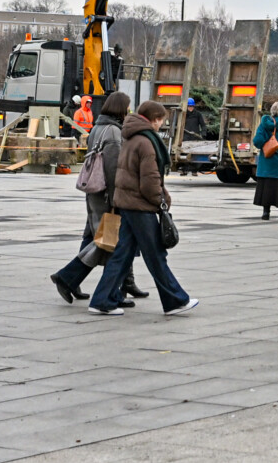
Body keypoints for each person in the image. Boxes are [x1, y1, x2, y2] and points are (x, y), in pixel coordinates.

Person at [89, 100, 197, 316]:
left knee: (122, 254)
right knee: (156, 254)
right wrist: (161, 200)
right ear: (154, 119)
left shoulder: (130, 136)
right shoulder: (146, 142)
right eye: (161, 120)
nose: (161, 124)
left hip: (126, 203)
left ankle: (102, 300)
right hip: (140, 206)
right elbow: (150, 180)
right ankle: (175, 300)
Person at [50, 92, 144, 304]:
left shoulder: (99, 127)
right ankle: (72, 279)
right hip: (106, 194)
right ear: (120, 109)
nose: (129, 111)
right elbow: (112, 169)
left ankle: (77, 281)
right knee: (110, 242)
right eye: (127, 107)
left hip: (95, 192)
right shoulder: (113, 132)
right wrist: (116, 198)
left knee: (95, 237)